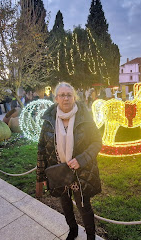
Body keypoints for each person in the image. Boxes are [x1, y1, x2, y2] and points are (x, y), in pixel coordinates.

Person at [36, 82, 102, 240]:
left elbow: (97, 142)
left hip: (81, 172)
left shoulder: (84, 117)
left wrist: (81, 159)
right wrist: (42, 176)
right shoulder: (49, 121)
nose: (66, 98)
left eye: (69, 95)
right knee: (65, 205)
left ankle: (90, 236)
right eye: (62, 95)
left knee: (84, 207)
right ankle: (73, 231)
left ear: (74, 97)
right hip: (59, 172)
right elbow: (42, 149)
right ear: (56, 98)